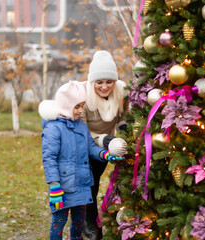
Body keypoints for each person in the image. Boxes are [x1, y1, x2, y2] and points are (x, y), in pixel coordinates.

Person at [38, 81, 123, 240]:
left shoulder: (82, 127)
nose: (80, 110)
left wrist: (105, 155)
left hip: (83, 184)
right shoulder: (53, 129)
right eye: (76, 106)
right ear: (65, 106)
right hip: (63, 186)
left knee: (78, 222)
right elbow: (49, 159)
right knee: (59, 221)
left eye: (82, 106)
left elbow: (91, 148)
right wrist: (54, 185)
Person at [80, 50, 127, 240]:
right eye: (99, 82)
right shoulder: (83, 98)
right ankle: (90, 226)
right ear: (93, 82)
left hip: (108, 146)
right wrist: (104, 141)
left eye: (109, 81)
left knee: (95, 182)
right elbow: (82, 132)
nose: (104, 86)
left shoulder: (121, 93)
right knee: (88, 184)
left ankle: (90, 221)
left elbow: (123, 118)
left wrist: (122, 135)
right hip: (85, 146)